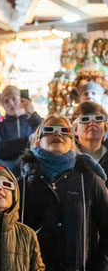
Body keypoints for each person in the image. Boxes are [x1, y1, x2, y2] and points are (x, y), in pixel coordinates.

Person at [20, 115, 108, 271]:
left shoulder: (89, 180)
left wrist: (101, 266)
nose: (57, 134)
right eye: (49, 130)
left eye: (64, 130)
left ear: (72, 144)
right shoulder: (24, 184)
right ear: (38, 141)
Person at [0, 86, 42, 175]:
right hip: (7, 175)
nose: (11, 103)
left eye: (14, 99)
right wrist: (28, 140)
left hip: (32, 175)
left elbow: (46, 133)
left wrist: (31, 113)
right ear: (3, 105)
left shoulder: (32, 122)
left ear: (21, 100)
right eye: (6, 101)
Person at [72, 101, 108, 184]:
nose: (92, 123)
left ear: (105, 129)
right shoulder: (66, 157)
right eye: (85, 119)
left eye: (98, 119)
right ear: (75, 129)